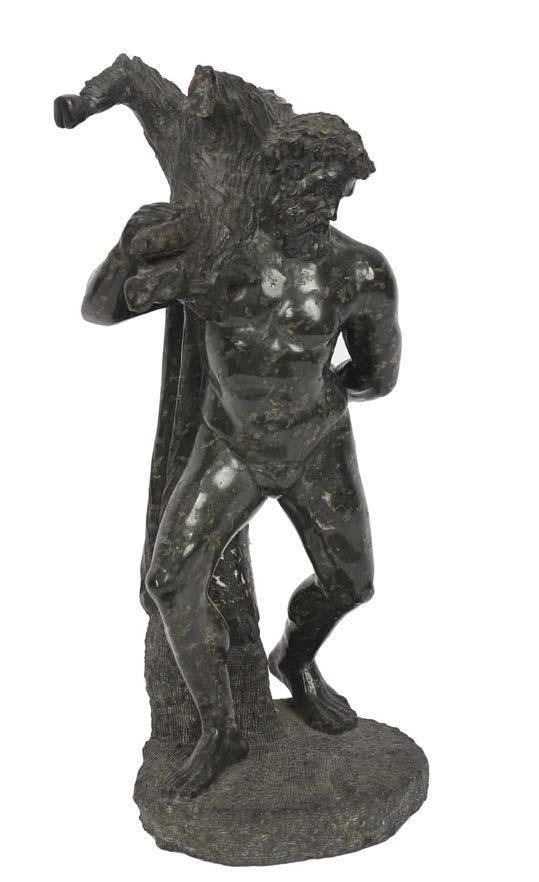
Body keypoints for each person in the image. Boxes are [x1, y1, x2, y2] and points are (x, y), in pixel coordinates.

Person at [82, 113, 401, 797]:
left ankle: (295, 662)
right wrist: (126, 249)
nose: (318, 205)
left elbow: (377, 375)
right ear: (272, 180)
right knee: (170, 580)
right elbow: (102, 310)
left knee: (351, 583)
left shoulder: (359, 272)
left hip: (316, 444)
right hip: (231, 446)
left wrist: (310, 401)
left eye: (331, 191)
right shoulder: (217, 259)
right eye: (305, 188)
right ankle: (218, 727)